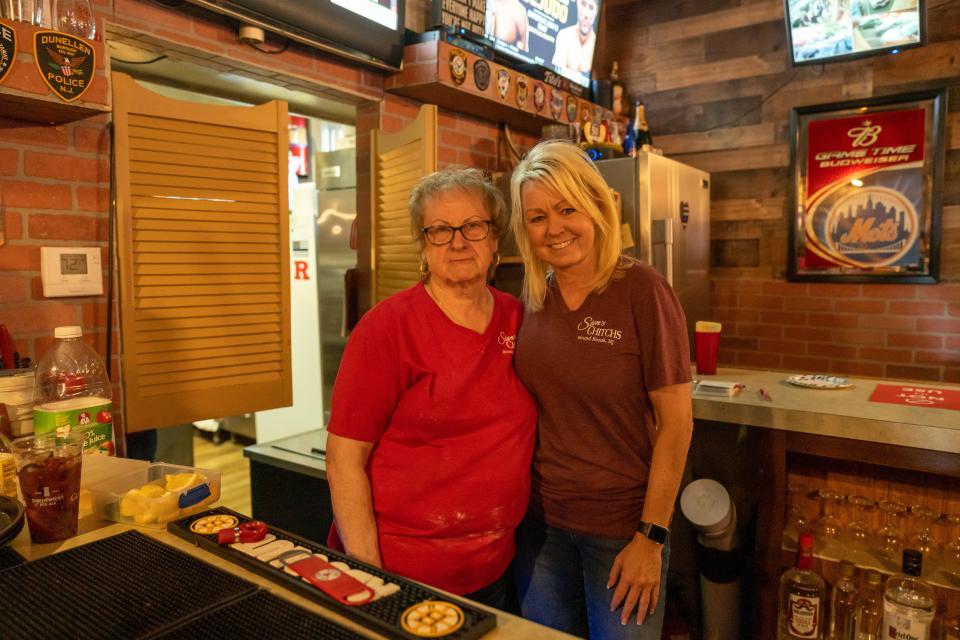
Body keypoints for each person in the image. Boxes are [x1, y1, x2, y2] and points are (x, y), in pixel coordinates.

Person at [325, 167, 537, 610]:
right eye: (440, 230)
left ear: (495, 239)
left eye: (473, 226)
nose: (458, 241)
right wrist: (368, 575)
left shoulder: (517, 318)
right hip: (402, 575)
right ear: (423, 245)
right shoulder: (388, 328)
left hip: (496, 566)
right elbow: (345, 458)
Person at [509, 140, 694, 639]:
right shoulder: (528, 299)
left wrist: (651, 538)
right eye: (537, 216)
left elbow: (676, 423)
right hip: (540, 529)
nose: (555, 228)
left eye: (567, 208)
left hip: (622, 533)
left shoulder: (643, 289)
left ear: (596, 206)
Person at [552, 0, 598, 75]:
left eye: (591, 7)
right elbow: (555, 75)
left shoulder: (597, 47)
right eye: (583, 4)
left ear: (596, 12)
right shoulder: (564, 35)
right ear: (577, 4)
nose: (585, 14)